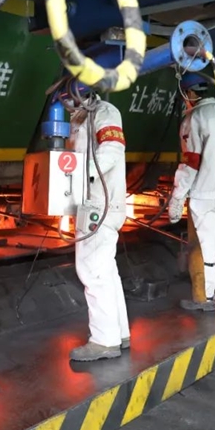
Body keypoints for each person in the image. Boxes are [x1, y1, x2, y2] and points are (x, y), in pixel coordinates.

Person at [66, 94, 130, 362]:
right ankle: (119, 333)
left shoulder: (104, 111)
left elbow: (112, 149)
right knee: (106, 271)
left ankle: (104, 341)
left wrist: (81, 178)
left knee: (93, 272)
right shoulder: (82, 117)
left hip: (99, 204)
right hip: (97, 203)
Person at [169, 73, 215, 311]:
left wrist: (177, 197)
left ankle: (204, 298)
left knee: (204, 247)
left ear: (189, 93)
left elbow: (191, 161)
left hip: (205, 194)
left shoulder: (194, 117)